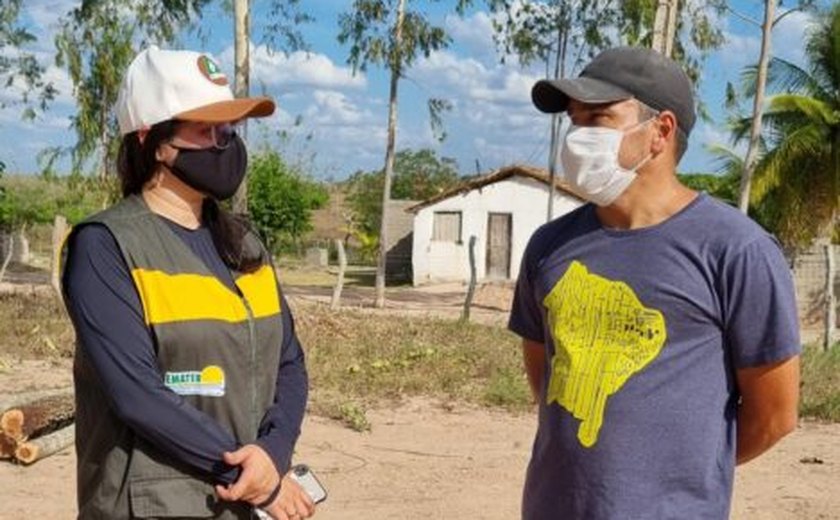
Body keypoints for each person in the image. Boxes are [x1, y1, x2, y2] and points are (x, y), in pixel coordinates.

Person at [509, 46, 801, 519]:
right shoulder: (549, 246)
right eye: (574, 120)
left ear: (660, 132)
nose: (578, 136)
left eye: (598, 118)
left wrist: (676, 478)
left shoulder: (736, 250)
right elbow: (547, 380)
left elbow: (774, 415)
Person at [62, 46, 316, 520]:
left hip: (245, 500)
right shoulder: (104, 246)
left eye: (229, 129)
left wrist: (273, 456)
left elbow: (290, 363)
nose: (225, 144)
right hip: (152, 506)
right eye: (205, 129)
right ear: (152, 141)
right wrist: (250, 477)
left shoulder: (244, 243)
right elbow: (138, 395)